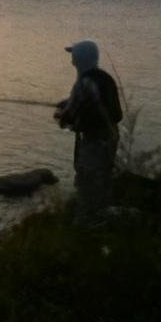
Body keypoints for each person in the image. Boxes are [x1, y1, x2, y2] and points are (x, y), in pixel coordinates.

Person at [54, 40, 123, 224]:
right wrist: (67, 103)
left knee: (87, 180)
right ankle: (101, 214)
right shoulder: (103, 77)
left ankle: (87, 223)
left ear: (81, 59)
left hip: (94, 140)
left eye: (74, 56)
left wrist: (60, 115)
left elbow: (67, 117)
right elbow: (88, 101)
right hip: (111, 135)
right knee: (103, 178)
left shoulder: (83, 83)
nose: (72, 60)